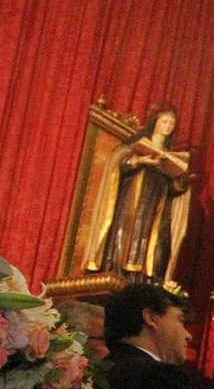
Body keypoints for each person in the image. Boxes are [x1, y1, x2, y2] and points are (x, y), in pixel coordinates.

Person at [83, 104, 193, 286]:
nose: (167, 126)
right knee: (127, 233)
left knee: (155, 243)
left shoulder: (171, 155)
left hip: (158, 203)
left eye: (171, 124)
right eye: (164, 121)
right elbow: (118, 163)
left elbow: (174, 189)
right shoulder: (136, 145)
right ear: (155, 123)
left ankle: (144, 280)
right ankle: (119, 274)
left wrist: (181, 182)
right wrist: (140, 160)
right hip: (134, 198)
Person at [100, 283, 201, 389]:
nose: (188, 336)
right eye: (180, 321)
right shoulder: (163, 377)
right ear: (150, 318)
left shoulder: (92, 374)